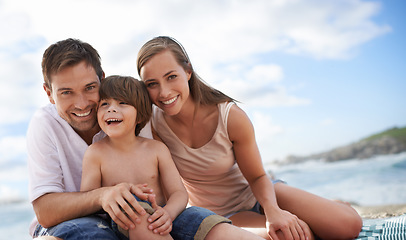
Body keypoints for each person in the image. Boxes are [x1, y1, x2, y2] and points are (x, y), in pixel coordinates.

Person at [27, 38, 264, 240]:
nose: (81, 104)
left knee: (214, 227)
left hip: (162, 214)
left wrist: (169, 212)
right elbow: (46, 213)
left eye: (90, 88)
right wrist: (104, 195)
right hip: (93, 220)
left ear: (102, 78)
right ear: (49, 93)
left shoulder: (144, 121)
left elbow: (178, 191)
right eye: (66, 92)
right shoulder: (47, 125)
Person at [136, 36, 364, 240]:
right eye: (152, 84)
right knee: (292, 236)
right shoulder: (153, 124)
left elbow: (256, 176)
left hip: (263, 193)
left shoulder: (230, 117)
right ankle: (312, 220)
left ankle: (330, 208)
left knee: (350, 226)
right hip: (224, 214)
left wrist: (273, 211)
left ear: (188, 71)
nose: (164, 92)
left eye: (171, 77)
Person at [81, 75, 239, 240]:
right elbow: (88, 201)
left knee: (207, 221)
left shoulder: (156, 149)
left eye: (122, 103)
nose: (111, 109)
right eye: (104, 104)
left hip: (167, 215)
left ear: (140, 115)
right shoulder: (95, 153)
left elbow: (178, 193)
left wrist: (168, 213)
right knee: (136, 213)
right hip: (127, 224)